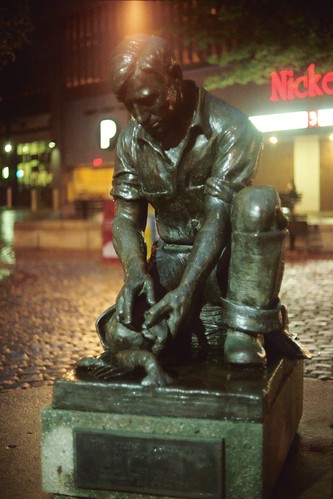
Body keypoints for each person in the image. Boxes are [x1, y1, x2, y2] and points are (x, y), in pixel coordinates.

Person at [79, 34, 310, 385]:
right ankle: (180, 333)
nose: (140, 116)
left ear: (174, 75)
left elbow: (218, 214)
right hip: (169, 262)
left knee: (258, 202)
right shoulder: (131, 140)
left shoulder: (232, 128)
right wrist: (136, 274)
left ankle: (243, 327)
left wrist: (187, 291)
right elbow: (127, 218)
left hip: (226, 267)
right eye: (130, 106)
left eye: (147, 100)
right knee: (126, 337)